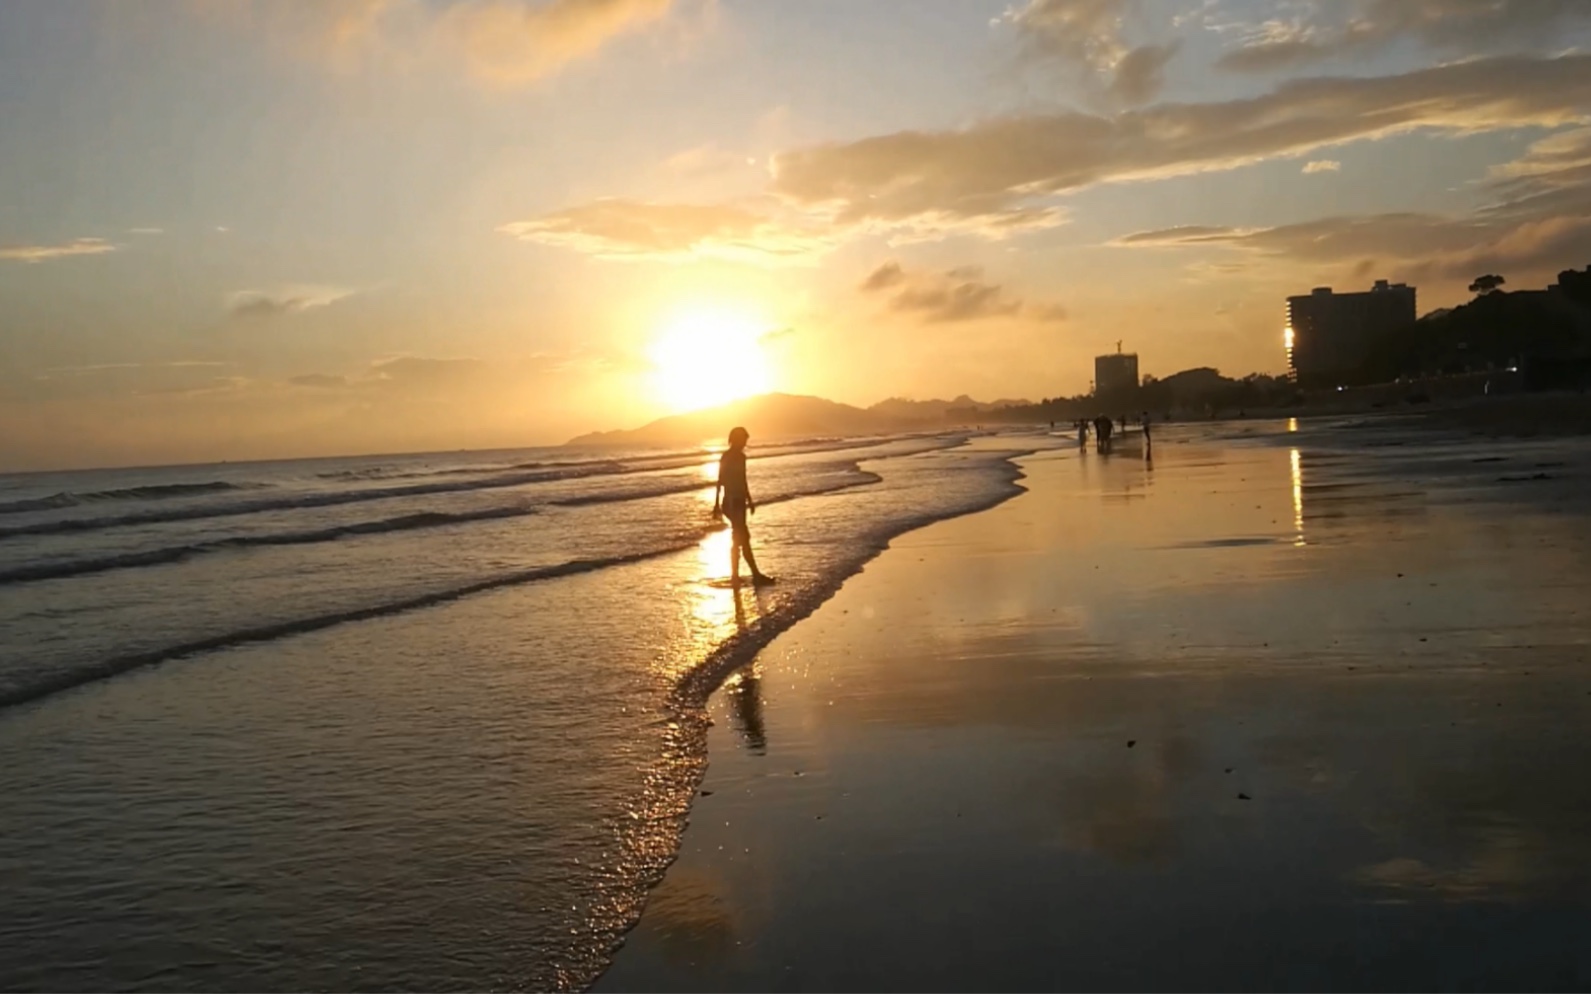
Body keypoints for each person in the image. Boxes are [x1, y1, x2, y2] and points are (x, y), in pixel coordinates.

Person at [713, 426, 773, 586]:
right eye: (744, 440)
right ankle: (753, 575)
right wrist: (716, 505)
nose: (745, 443)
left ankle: (737, 575)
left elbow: (743, 480)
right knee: (742, 537)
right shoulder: (727, 457)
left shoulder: (741, 457)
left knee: (740, 537)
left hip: (739, 501)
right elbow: (720, 480)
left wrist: (749, 500)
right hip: (731, 502)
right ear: (737, 439)